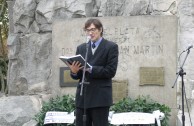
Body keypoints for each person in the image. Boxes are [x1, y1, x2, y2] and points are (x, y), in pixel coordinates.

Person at [67, 18, 119, 126]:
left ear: (100, 30)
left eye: (93, 29)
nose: (90, 33)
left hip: (100, 98)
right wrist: (74, 72)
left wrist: (91, 69)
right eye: (87, 30)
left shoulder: (111, 47)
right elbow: (78, 75)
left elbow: (110, 71)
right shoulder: (81, 48)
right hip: (83, 97)